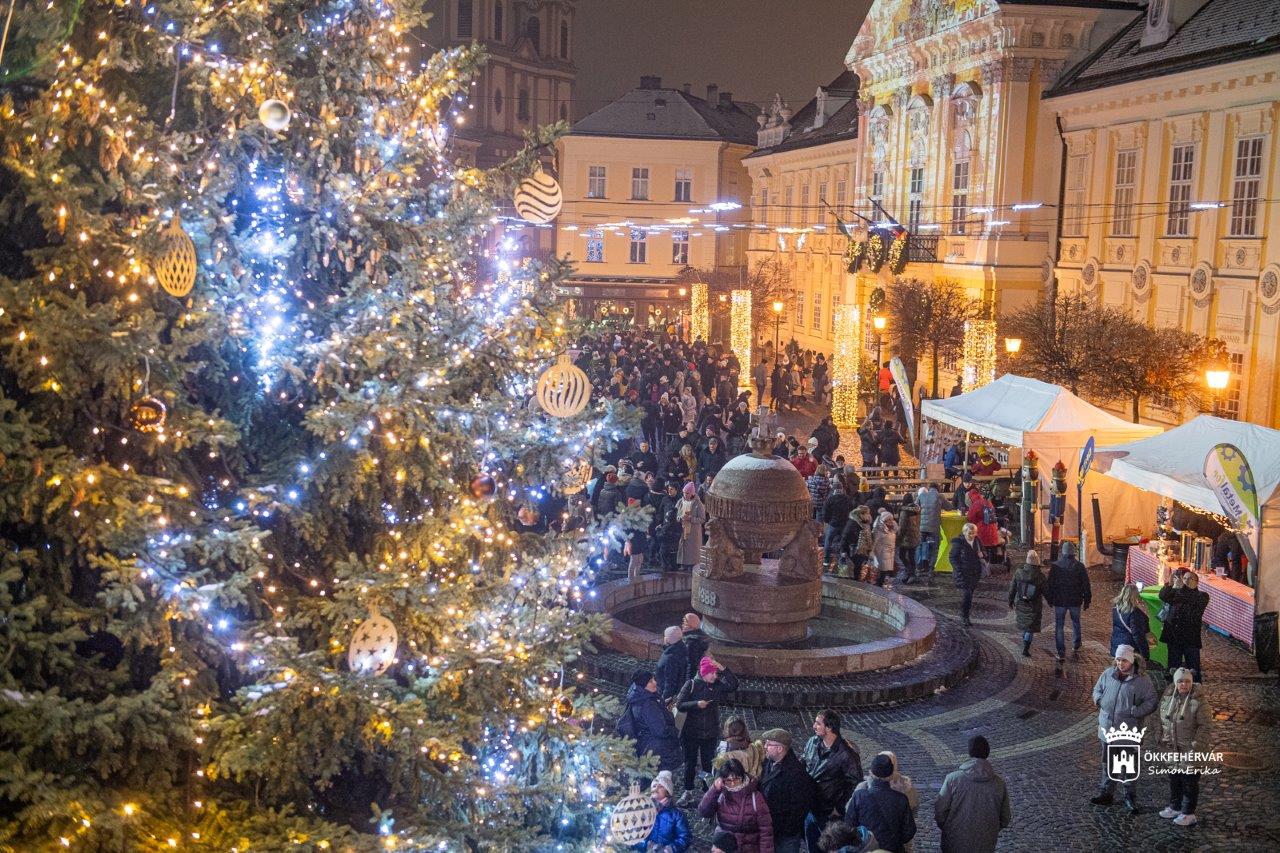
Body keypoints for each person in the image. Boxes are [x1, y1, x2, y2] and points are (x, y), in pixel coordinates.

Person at [1090, 644, 1158, 813]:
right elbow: (1097, 689)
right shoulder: (1108, 674)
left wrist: (1138, 712)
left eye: (1124, 660)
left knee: (1128, 766)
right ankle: (1106, 793)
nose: (1120, 663)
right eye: (1118, 660)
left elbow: (1151, 701)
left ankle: (1130, 796)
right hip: (1107, 729)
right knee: (1108, 763)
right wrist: (1098, 699)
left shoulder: (1142, 681)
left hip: (1128, 731)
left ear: (1131, 661)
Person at [675, 656, 740, 805]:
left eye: (716, 673)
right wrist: (696, 704)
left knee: (708, 764)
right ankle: (688, 792)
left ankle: (707, 793)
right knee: (690, 763)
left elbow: (734, 685)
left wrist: (723, 668)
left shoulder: (717, 685)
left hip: (709, 733)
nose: (715, 676)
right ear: (704, 672)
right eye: (712, 673)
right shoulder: (691, 684)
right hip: (690, 733)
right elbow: (680, 704)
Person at [934, 735, 1011, 853]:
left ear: (970, 752)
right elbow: (1005, 818)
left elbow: (940, 811)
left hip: (954, 842)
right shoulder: (999, 784)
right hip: (986, 843)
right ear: (987, 753)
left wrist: (948, 828)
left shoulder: (953, 779)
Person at [1155, 667, 1212, 827]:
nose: (1183, 684)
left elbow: (1205, 727)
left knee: (1189, 783)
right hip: (1172, 750)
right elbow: (1159, 719)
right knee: (1175, 780)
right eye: (1180, 681)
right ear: (1175, 682)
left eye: (1187, 681)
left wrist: (1195, 747)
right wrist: (1159, 737)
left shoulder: (1199, 701)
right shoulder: (1167, 698)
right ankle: (1175, 806)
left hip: (1191, 751)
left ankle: (1188, 813)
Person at [802, 709, 863, 853]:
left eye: (818, 723)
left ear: (829, 728)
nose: (814, 726)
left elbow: (856, 783)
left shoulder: (846, 754)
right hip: (810, 808)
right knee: (812, 845)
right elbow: (803, 762)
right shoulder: (812, 742)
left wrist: (840, 807)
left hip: (829, 813)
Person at [759, 728, 819, 853]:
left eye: (768, 744)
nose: (764, 746)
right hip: (770, 829)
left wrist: (786, 828)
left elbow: (800, 807)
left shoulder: (795, 774)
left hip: (785, 835)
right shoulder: (768, 762)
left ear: (779, 749)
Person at [697, 757, 775, 853]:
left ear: (742, 776)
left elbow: (766, 830)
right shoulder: (720, 792)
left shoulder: (756, 797)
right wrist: (714, 789)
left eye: (737, 779)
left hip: (748, 847)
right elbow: (704, 812)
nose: (733, 783)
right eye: (728, 780)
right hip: (723, 846)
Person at [843, 753, 916, 853]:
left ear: (871, 773)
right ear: (891, 775)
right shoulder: (901, 799)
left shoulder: (859, 796)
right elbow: (909, 832)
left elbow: (848, 826)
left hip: (865, 849)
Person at [615, 670, 683, 773]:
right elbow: (661, 730)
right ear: (643, 685)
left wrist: (662, 706)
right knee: (661, 780)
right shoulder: (648, 705)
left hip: (648, 747)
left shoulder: (641, 696)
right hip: (657, 751)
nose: (655, 682)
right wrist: (675, 731)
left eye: (654, 679)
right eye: (651, 681)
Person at [1043, 541, 1091, 663]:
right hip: (1075, 600)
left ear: (1062, 552)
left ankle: (1061, 652)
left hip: (1060, 601)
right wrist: (1087, 600)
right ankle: (1076, 644)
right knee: (1076, 622)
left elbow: (1050, 585)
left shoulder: (1055, 566)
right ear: (1073, 553)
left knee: (1059, 626)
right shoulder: (1080, 566)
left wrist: (1050, 599)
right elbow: (1086, 585)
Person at [1160, 570, 1210, 682]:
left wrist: (1179, 589)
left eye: (1190, 578)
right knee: (1173, 665)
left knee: (1193, 667)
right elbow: (1163, 596)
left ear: (1196, 582)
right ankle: (1173, 689)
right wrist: (1171, 585)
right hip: (1174, 636)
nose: (1186, 580)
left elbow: (1189, 598)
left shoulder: (1202, 596)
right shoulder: (1177, 592)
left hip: (1190, 638)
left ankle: (1196, 690)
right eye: (1185, 578)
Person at [636, 770, 692, 852]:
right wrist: (645, 844)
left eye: (660, 786)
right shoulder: (644, 811)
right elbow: (634, 833)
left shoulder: (676, 814)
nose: (656, 788)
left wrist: (669, 849)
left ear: (667, 792)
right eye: (654, 786)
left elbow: (685, 837)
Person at [1008, 550, 1047, 657]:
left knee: (1025, 625)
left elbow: (1012, 588)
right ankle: (1026, 648)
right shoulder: (1040, 576)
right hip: (1033, 606)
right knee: (1030, 627)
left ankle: (1025, 640)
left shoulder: (1018, 572)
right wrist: (1051, 601)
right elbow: (1046, 591)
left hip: (1021, 603)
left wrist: (1010, 600)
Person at [948, 522, 984, 627]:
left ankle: (965, 615)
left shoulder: (977, 541)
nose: (972, 535)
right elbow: (953, 557)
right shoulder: (959, 543)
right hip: (963, 574)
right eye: (970, 533)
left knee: (970, 595)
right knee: (967, 595)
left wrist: (983, 555)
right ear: (964, 532)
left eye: (974, 533)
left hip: (974, 573)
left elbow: (983, 553)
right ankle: (964, 616)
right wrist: (958, 569)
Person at [1110, 582, 1151, 664]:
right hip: (1130, 649)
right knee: (1130, 673)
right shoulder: (1134, 613)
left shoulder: (1116, 609)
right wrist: (1145, 654)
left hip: (1117, 647)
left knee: (1120, 671)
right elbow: (1138, 635)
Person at [714, 717, 765, 781]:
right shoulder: (754, 747)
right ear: (744, 729)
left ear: (727, 730)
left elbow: (718, 776)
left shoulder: (724, 753)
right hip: (753, 783)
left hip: (734, 786)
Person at [915, 484, 949, 580]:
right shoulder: (940, 496)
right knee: (934, 548)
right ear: (938, 489)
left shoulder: (921, 495)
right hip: (934, 528)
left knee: (920, 546)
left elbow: (915, 507)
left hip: (921, 527)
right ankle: (930, 569)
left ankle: (918, 568)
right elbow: (949, 507)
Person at [821, 483, 853, 570]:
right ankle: (843, 560)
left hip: (833, 524)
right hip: (844, 524)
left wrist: (827, 521)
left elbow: (825, 512)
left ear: (834, 489)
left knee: (828, 541)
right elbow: (851, 510)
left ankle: (826, 560)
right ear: (842, 489)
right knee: (844, 542)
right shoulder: (847, 499)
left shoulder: (830, 499)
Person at [965, 488, 1001, 565]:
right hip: (993, 533)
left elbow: (970, 519)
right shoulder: (988, 502)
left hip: (982, 534)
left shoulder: (975, 505)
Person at [676, 483, 706, 572]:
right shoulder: (680, 502)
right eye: (684, 493)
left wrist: (691, 518)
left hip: (693, 531)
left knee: (692, 549)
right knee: (683, 546)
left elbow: (702, 519)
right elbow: (676, 514)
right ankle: (683, 563)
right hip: (682, 528)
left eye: (687, 493)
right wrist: (680, 518)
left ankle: (692, 564)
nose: (685, 495)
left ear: (692, 494)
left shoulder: (698, 504)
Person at [655, 625, 688, 701]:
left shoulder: (670, 658)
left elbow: (670, 682)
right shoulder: (681, 650)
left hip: (664, 694)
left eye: (665, 636)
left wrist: (663, 699)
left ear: (667, 639)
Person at [896, 494, 921, 585]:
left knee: (901, 555)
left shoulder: (904, 512)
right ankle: (911, 574)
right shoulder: (917, 510)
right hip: (915, 536)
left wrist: (898, 539)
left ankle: (910, 573)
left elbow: (902, 528)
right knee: (911, 556)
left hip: (906, 538)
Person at [871, 507, 898, 588]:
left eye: (892, 519)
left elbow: (896, 529)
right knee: (882, 572)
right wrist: (871, 553)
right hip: (881, 553)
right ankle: (878, 587)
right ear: (884, 520)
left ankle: (881, 585)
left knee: (885, 572)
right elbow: (874, 542)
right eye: (889, 519)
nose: (891, 521)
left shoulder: (892, 529)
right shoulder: (878, 529)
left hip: (890, 552)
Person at [681, 612, 710, 681]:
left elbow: (691, 664)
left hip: (691, 677)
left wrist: (688, 682)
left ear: (691, 626)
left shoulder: (691, 642)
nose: (682, 625)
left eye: (684, 623)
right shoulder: (701, 636)